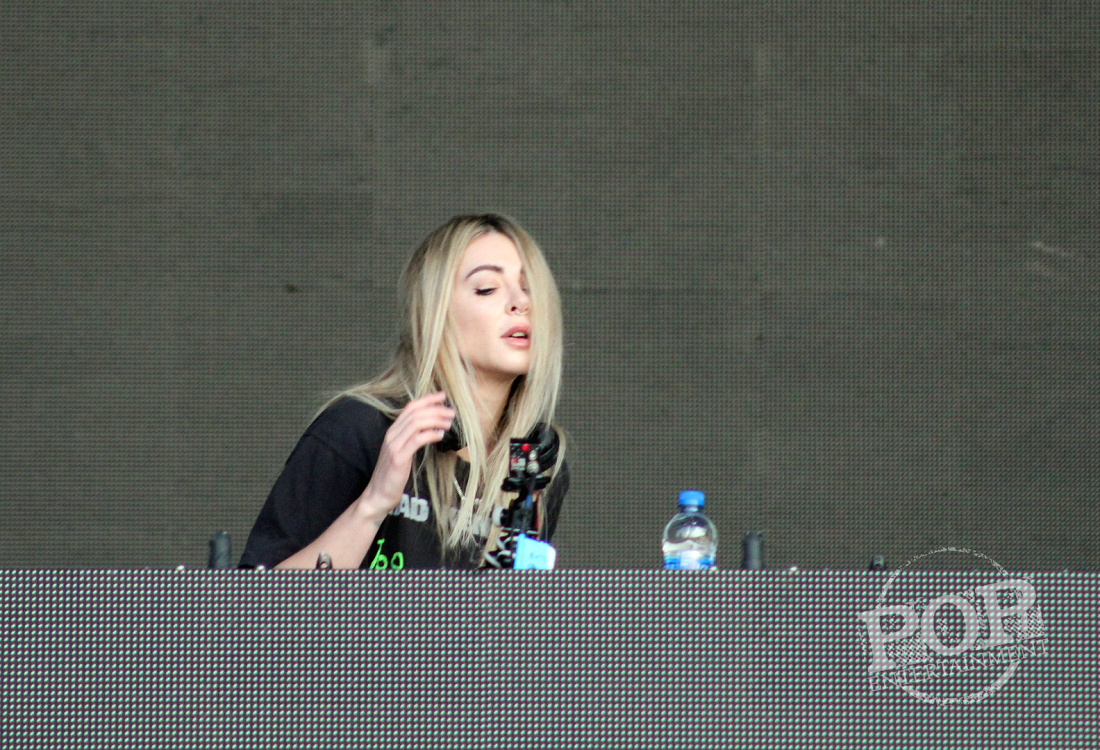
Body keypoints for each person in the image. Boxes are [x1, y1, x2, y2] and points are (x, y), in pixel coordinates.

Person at [239, 214, 569, 570]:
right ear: (435, 314)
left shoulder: (537, 465)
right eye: (487, 288)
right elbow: (257, 601)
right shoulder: (359, 428)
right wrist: (373, 505)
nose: (521, 303)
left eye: (530, 288)